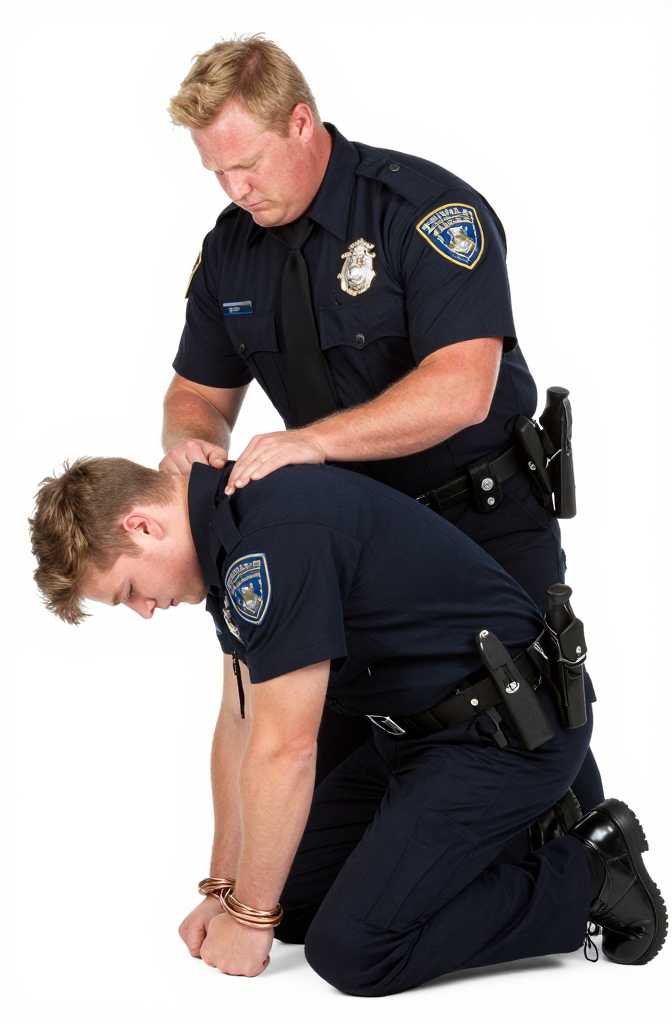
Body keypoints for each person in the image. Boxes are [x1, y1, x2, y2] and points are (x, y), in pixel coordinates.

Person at [159, 35, 603, 807]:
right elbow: (196, 393)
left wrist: (312, 443)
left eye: (248, 164)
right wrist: (190, 443)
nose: (234, 189)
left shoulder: (422, 211)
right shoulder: (231, 251)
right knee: (329, 814)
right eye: (216, 172)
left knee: (524, 723)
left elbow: (463, 387)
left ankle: (593, 872)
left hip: (482, 517)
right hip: (360, 546)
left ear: (301, 123)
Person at [29, 457, 666, 990]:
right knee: (294, 904)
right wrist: (230, 892)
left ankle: (589, 872)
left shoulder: (269, 543)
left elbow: (286, 751)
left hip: (504, 735)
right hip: (416, 740)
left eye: (128, 591)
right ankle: (505, 842)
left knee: (354, 950)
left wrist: (248, 920)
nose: (143, 611)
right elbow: (241, 723)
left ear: (141, 526)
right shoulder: (230, 535)